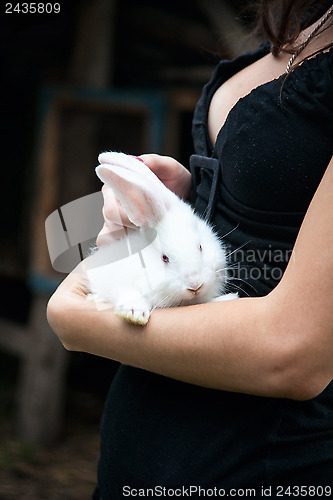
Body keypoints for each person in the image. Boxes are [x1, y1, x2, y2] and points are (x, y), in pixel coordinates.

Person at [47, 0, 333, 498]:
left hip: (266, 468)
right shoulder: (310, 20)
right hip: (136, 460)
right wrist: (194, 194)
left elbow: (295, 352)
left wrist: (76, 316)